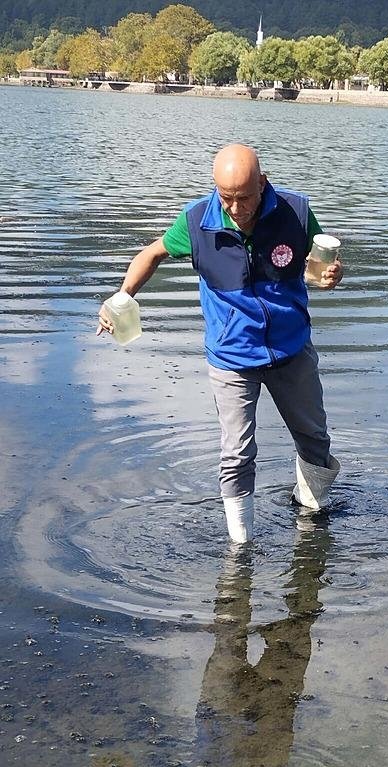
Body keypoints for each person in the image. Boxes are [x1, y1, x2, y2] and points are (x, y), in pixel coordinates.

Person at [97, 143, 343, 543]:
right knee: (237, 453)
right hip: (231, 356)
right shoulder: (197, 222)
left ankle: (310, 512)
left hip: (291, 350)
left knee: (313, 438)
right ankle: (240, 545)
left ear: (262, 184)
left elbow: (322, 263)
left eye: (243, 197)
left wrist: (332, 276)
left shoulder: (295, 212)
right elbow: (151, 253)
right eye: (225, 197)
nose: (234, 207)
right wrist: (122, 297)